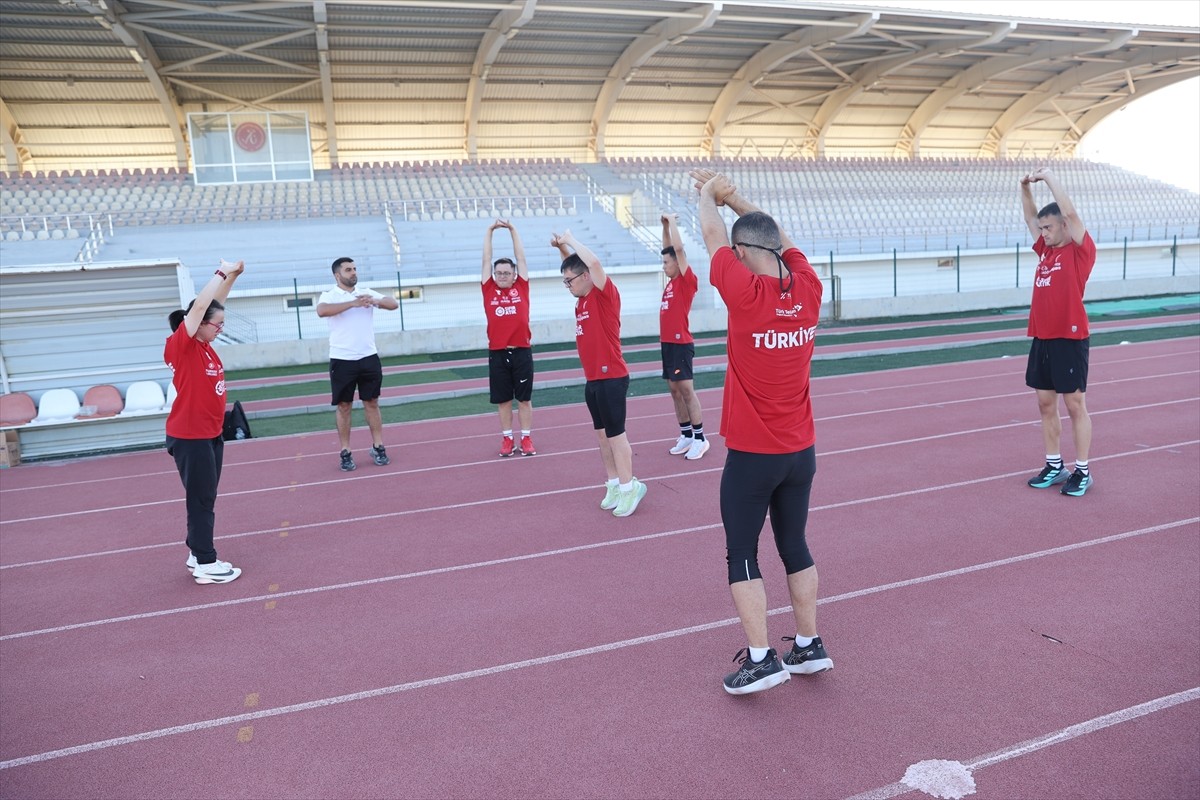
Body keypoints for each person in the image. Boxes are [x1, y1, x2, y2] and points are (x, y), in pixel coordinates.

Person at [691, 168, 833, 695]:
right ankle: (808, 645)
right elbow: (781, 239)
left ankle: (760, 659)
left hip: (754, 455)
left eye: (736, 251)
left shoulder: (747, 295)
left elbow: (711, 238)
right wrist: (734, 199)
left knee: (742, 553)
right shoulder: (811, 288)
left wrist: (709, 195)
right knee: (794, 545)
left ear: (744, 253)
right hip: (801, 451)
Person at [554, 228, 647, 517]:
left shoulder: (605, 295)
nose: (567, 285)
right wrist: (562, 249)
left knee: (617, 436)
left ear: (584, 278)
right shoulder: (580, 301)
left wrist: (570, 239)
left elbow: (591, 265)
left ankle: (631, 488)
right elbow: (577, 267)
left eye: (569, 281)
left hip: (612, 378)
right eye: (564, 281)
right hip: (593, 379)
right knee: (602, 437)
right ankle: (614, 484)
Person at [165, 259, 245, 585]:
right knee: (200, 500)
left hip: (210, 434)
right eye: (217, 325)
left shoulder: (206, 345)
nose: (220, 329)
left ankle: (196, 550)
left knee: (206, 497)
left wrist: (233, 277)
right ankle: (205, 563)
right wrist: (220, 272)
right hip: (190, 436)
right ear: (196, 324)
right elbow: (201, 307)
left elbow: (214, 306)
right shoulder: (182, 347)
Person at [1021, 167, 1096, 497]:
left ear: (1065, 226)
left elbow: (1070, 211)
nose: (1044, 233)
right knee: (1045, 405)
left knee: (1075, 404)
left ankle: (1082, 470)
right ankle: (1054, 465)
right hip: (1043, 338)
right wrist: (1024, 187)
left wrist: (1049, 177)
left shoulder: (1080, 251)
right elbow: (1029, 218)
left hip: (1070, 338)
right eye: (1042, 229)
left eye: (1049, 227)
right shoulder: (1046, 250)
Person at [316, 256, 399, 472]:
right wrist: (352, 303)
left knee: (372, 402)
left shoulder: (366, 292)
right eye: (348, 270)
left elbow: (393, 303)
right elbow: (322, 311)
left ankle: (378, 446)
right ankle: (345, 451)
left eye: (354, 269)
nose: (353, 272)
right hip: (342, 359)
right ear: (337, 275)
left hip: (369, 357)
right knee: (344, 406)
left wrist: (376, 301)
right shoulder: (330, 295)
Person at [482, 219, 536, 457]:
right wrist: (490, 231)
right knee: (503, 400)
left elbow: (521, 258)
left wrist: (513, 230)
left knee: (523, 400)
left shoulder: (521, 287)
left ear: (515, 274)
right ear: (494, 275)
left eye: (507, 272)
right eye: (499, 272)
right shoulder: (489, 289)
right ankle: (507, 439)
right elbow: (486, 259)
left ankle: (525, 438)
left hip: (522, 350)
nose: (502, 276)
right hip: (498, 352)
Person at [659, 213, 707, 460]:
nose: (664, 266)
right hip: (667, 344)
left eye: (667, 263)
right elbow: (669, 249)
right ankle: (686, 434)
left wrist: (674, 222)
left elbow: (677, 249)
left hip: (680, 343)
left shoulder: (686, 281)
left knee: (686, 390)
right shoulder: (669, 283)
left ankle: (700, 438)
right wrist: (665, 226)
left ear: (678, 263)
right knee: (674, 390)